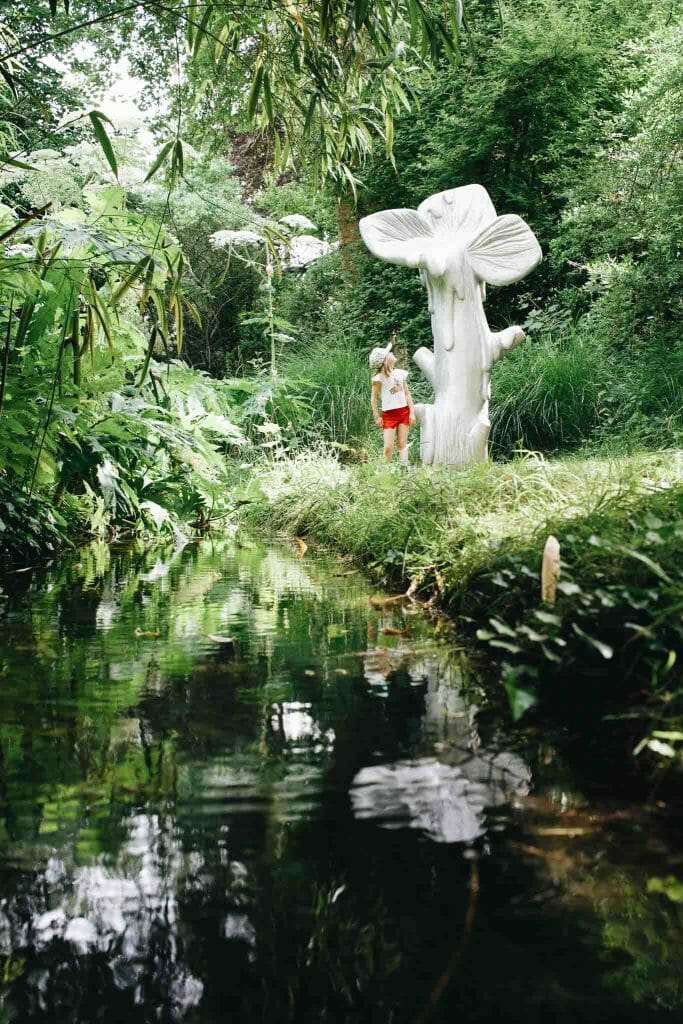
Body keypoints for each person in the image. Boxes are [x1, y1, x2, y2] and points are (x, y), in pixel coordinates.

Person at [369, 342, 416, 465]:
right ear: (385, 361)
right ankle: (388, 471)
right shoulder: (379, 378)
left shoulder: (400, 374)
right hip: (389, 415)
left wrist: (412, 412)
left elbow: (407, 394)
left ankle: (404, 469)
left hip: (403, 412)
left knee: (402, 444)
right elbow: (373, 398)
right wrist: (377, 417)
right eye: (388, 353)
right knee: (388, 447)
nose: (391, 353)